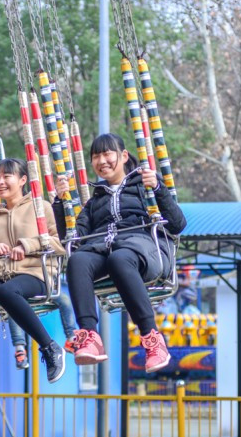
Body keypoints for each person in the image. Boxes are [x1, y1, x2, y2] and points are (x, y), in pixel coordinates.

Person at [54, 133, 186, 372]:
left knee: (120, 258)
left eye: (107, 154)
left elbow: (177, 224)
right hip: (103, 250)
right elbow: (72, 239)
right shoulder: (94, 203)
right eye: (96, 156)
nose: (102, 161)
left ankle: (151, 339)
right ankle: (89, 335)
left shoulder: (143, 189)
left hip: (143, 251)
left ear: (123, 156)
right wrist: (59, 202)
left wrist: (158, 188)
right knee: (77, 260)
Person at [0, 158, 67, 396]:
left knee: (8, 293)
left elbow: (59, 243)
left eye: (7, 176)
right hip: (0, 274)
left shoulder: (40, 208)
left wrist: (26, 245)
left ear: (22, 180)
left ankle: (49, 348)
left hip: (35, 273)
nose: (0, 182)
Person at [9, 288, 77, 370]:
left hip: (42, 286)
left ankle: (71, 339)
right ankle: (19, 349)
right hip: (19, 290)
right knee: (13, 305)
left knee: (65, 300)